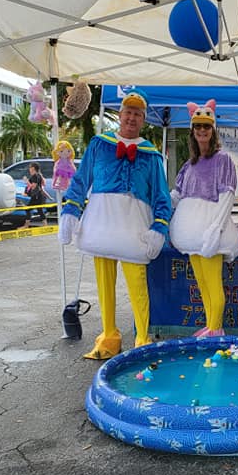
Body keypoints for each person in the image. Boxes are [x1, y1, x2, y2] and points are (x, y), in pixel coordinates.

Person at [58, 93, 172, 360]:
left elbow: (161, 195)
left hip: (133, 230)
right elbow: (81, 179)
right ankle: (109, 335)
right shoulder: (99, 145)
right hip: (101, 225)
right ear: (119, 115)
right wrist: (71, 210)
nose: (131, 118)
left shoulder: (151, 155)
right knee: (104, 284)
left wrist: (159, 227)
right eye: (128, 112)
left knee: (138, 285)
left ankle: (142, 339)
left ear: (143, 120)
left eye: (137, 114)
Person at [169, 99, 238, 338]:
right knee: (201, 282)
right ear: (192, 131)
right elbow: (177, 195)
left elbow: (227, 195)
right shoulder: (189, 164)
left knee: (213, 282)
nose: (202, 130)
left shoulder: (223, 160)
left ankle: (215, 328)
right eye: (198, 126)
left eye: (206, 126)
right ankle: (211, 325)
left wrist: (216, 228)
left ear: (213, 130)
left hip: (210, 229)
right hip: (190, 232)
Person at [20, 162, 49, 227]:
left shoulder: (34, 176)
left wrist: (26, 181)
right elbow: (42, 186)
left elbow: (33, 187)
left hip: (36, 196)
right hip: (38, 196)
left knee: (28, 209)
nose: (29, 169)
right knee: (39, 210)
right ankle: (45, 225)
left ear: (33, 168)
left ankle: (26, 225)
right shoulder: (39, 175)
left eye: (30, 167)